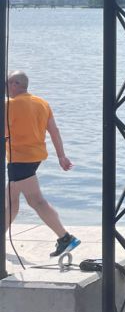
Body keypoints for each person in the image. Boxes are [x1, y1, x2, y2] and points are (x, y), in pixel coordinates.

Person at [3, 70, 78, 257]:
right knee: (11, 200)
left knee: (36, 201)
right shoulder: (42, 103)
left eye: (7, 83)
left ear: (15, 84)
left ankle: (65, 237)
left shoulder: (9, 105)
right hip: (34, 158)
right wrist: (61, 156)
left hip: (19, 159)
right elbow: (54, 131)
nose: (5, 88)